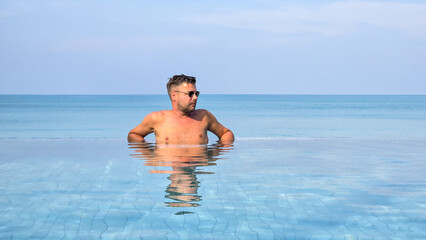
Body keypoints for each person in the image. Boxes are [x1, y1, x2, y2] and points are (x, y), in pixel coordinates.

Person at [127, 74, 234, 144]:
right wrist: (149, 153)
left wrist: (217, 152)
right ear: (174, 96)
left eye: (196, 93)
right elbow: (133, 135)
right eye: (190, 94)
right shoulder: (157, 119)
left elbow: (226, 133)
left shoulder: (204, 116)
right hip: (171, 171)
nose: (195, 97)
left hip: (197, 169)